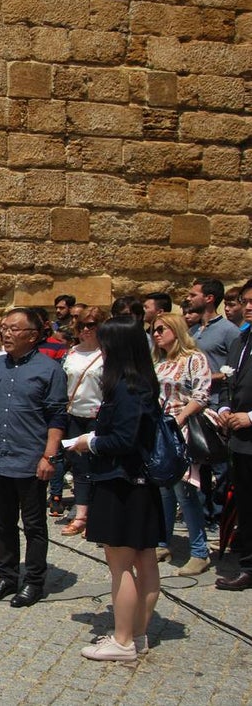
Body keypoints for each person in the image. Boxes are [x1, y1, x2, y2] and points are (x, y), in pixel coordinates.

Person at [71, 316, 163, 661]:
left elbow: (122, 439)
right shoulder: (143, 383)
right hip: (141, 483)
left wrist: (89, 442)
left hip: (122, 483)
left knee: (120, 564)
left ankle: (123, 641)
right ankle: (137, 634)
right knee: (145, 560)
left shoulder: (125, 388)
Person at [0, 307, 67, 608]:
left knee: (34, 524)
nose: (6, 334)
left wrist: (49, 456)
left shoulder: (50, 370)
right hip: (0, 457)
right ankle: (7, 576)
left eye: (13, 329)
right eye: (4, 329)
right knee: (4, 522)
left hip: (31, 459)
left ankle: (34, 581)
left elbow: (57, 417)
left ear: (33, 336)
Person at [150, 312, 213, 576]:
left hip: (182, 428)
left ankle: (200, 551)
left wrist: (181, 418)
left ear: (176, 329)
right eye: (153, 329)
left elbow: (202, 394)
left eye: (161, 329)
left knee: (184, 492)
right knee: (163, 489)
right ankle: (163, 542)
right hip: (160, 429)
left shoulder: (194, 359)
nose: (155, 333)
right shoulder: (160, 361)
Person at [56, 307, 107, 538]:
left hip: (98, 416)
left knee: (99, 466)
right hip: (74, 414)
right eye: (83, 325)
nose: (86, 329)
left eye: (92, 325)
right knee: (79, 466)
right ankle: (82, 514)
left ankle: (100, 515)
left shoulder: (107, 353)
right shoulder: (72, 353)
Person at [216, 278, 252, 590]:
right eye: (246, 300)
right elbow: (230, 383)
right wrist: (226, 408)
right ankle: (249, 565)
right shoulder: (241, 341)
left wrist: (251, 417)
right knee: (246, 502)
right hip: (240, 442)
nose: (248, 306)